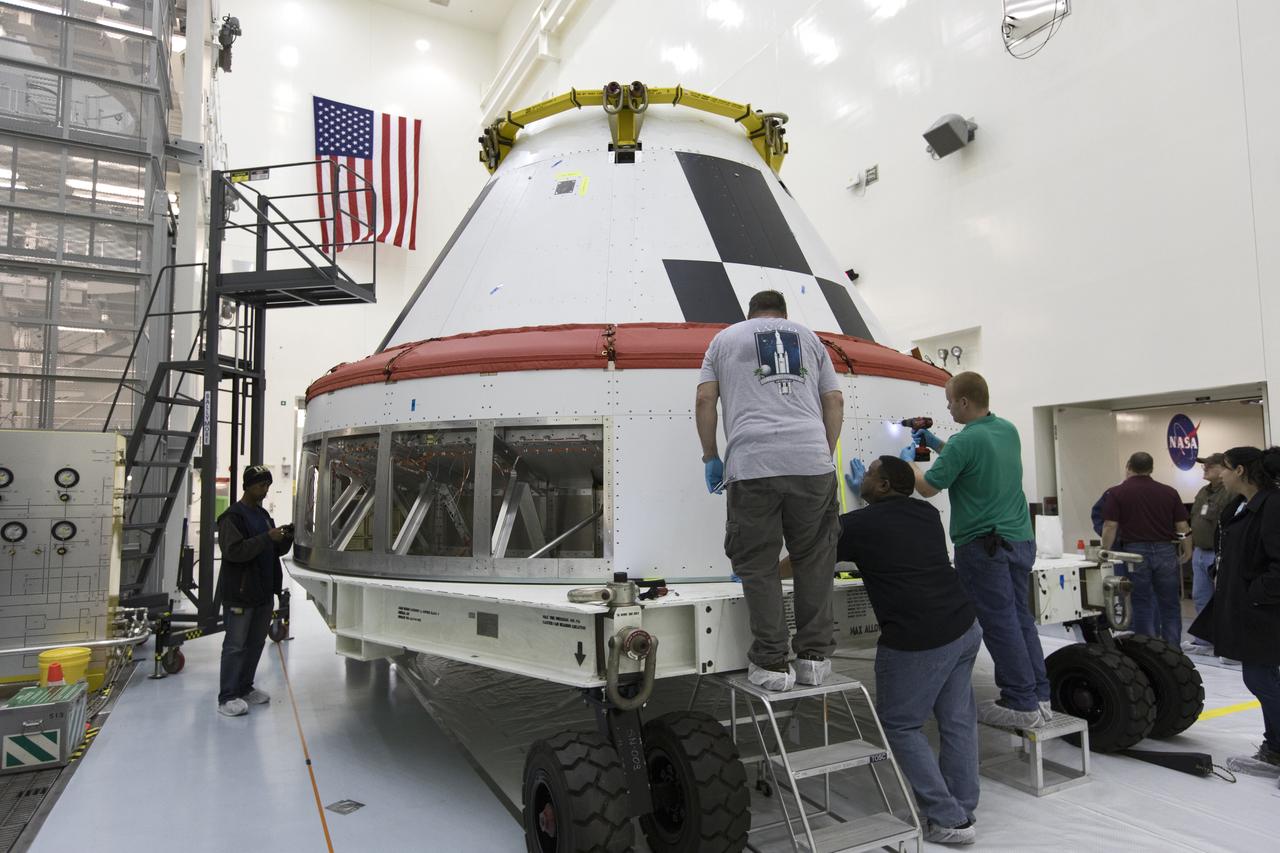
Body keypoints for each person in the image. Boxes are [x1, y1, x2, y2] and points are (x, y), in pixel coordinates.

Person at [697, 290, 844, 691]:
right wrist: (823, 452)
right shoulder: (811, 339)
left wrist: (711, 454)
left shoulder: (725, 339)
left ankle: (773, 663)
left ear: (749, 313)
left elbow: (705, 398)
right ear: (783, 313)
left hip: (752, 464)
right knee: (814, 559)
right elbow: (834, 399)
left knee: (759, 563)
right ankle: (814, 659)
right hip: (812, 463)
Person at [839, 456, 982, 846]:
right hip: (964, 626)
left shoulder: (857, 525)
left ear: (883, 486)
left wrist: (761, 573)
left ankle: (947, 817)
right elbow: (889, 533)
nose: (861, 478)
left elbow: (809, 553)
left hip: (920, 637)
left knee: (901, 725)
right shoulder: (927, 513)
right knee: (956, 719)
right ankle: (963, 805)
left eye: (867, 475)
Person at [903, 371, 1048, 729]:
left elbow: (928, 488)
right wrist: (938, 444)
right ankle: (1040, 695)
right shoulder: (1006, 430)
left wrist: (909, 462)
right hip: (1019, 542)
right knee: (1020, 619)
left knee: (999, 625)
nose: (948, 407)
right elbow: (973, 463)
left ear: (964, 402)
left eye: (950, 401)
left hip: (985, 548)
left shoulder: (963, 443)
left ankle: (1019, 701)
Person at [1188, 446, 1280, 781]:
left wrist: (1253, 594)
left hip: (1264, 612)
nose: (1220, 474)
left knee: (1260, 679)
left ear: (1240, 470)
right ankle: (1274, 747)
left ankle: (1277, 747)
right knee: (1263, 679)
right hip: (1249, 610)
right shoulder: (1241, 505)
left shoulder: (1271, 505)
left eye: (1224, 468)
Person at [217, 464, 293, 717]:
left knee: (255, 643)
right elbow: (234, 552)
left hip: (262, 593)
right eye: (261, 485)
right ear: (247, 486)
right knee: (235, 645)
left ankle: (245, 687)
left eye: (268, 485)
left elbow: (271, 551)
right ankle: (227, 696)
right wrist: (266, 538)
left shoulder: (262, 515)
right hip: (240, 593)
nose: (265, 490)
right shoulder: (232, 517)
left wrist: (285, 538)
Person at [1100, 452, 1192, 648]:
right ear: (1151, 468)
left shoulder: (1117, 492)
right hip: (1166, 550)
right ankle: (1173, 651)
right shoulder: (1169, 492)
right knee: (1170, 604)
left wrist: (1104, 551)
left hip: (1135, 553)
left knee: (1141, 603)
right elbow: (1182, 526)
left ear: (1128, 466)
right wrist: (1187, 550)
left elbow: (1110, 526)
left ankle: (1149, 651)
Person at [1184, 453, 1232, 654]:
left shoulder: (1229, 493)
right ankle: (1204, 640)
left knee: (1224, 600)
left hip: (1219, 553)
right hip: (1200, 552)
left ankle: (1227, 642)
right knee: (1201, 596)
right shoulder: (1203, 492)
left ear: (1224, 469)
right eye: (1204, 465)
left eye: (1211, 465)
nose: (1205, 467)